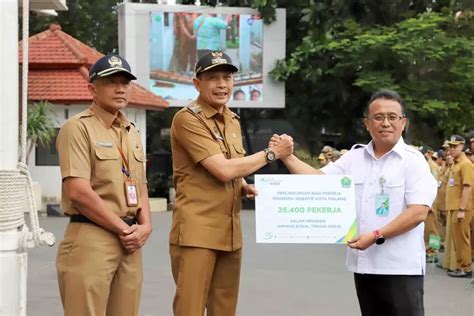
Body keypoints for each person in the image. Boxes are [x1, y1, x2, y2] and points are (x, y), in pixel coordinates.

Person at [272, 89, 437, 315]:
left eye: (392, 117)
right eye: (378, 117)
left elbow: (418, 212)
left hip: (400, 267)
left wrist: (376, 235)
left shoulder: (413, 161)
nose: (385, 123)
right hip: (365, 264)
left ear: (403, 123)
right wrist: (286, 156)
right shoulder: (354, 158)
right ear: (367, 123)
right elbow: (318, 181)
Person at [169, 51, 292, 316]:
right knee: (189, 309)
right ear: (197, 83)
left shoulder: (232, 120)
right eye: (213, 78)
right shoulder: (188, 119)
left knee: (224, 309)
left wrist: (243, 183)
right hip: (197, 233)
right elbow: (222, 170)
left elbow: (232, 169)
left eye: (227, 77)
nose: (222, 84)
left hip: (230, 234)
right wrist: (271, 154)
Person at [55, 54, 152, 316]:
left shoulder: (131, 131)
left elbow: (139, 183)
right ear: (92, 89)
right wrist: (125, 229)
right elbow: (78, 192)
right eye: (111, 82)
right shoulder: (77, 128)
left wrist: (145, 226)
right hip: (92, 237)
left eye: (125, 82)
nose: (120, 88)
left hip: (130, 242)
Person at [445, 135, 473, 278]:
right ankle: (461, 265)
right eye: (450, 146)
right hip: (454, 207)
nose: (451, 149)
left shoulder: (465, 164)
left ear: (462, 147)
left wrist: (462, 209)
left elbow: (467, 188)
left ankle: (466, 268)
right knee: (457, 239)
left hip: (461, 208)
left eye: (455, 146)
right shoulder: (455, 164)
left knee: (462, 239)